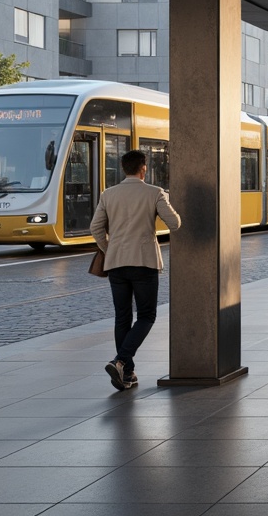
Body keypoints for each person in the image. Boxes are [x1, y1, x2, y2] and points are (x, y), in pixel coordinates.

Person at [92, 149, 182, 391]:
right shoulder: (154, 193)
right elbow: (174, 223)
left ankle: (127, 373)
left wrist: (109, 248)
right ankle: (121, 361)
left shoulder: (108, 194)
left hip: (117, 263)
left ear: (123, 168)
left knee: (122, 317)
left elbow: (95, 227)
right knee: (146, 316)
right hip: (144, 263)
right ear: (144, 168)